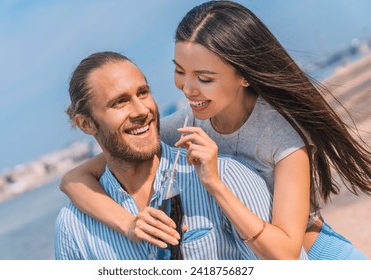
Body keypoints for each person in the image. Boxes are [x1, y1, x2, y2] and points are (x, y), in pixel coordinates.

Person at [60, 1, 371, 259]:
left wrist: (215, 184)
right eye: (180, 72)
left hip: (315, 253)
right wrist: (129, 223)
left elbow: (287, 255)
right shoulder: (186, 123)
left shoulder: (282, 136)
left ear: (244, 76)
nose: (188, 90)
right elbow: (75, 179)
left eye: (204, 78)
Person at [54, 50, 287, 260]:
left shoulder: (227, 176)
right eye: (119, 102)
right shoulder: (73, 228)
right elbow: (71, 181)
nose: (142, 110)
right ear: (86, 124)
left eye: (143, 93)